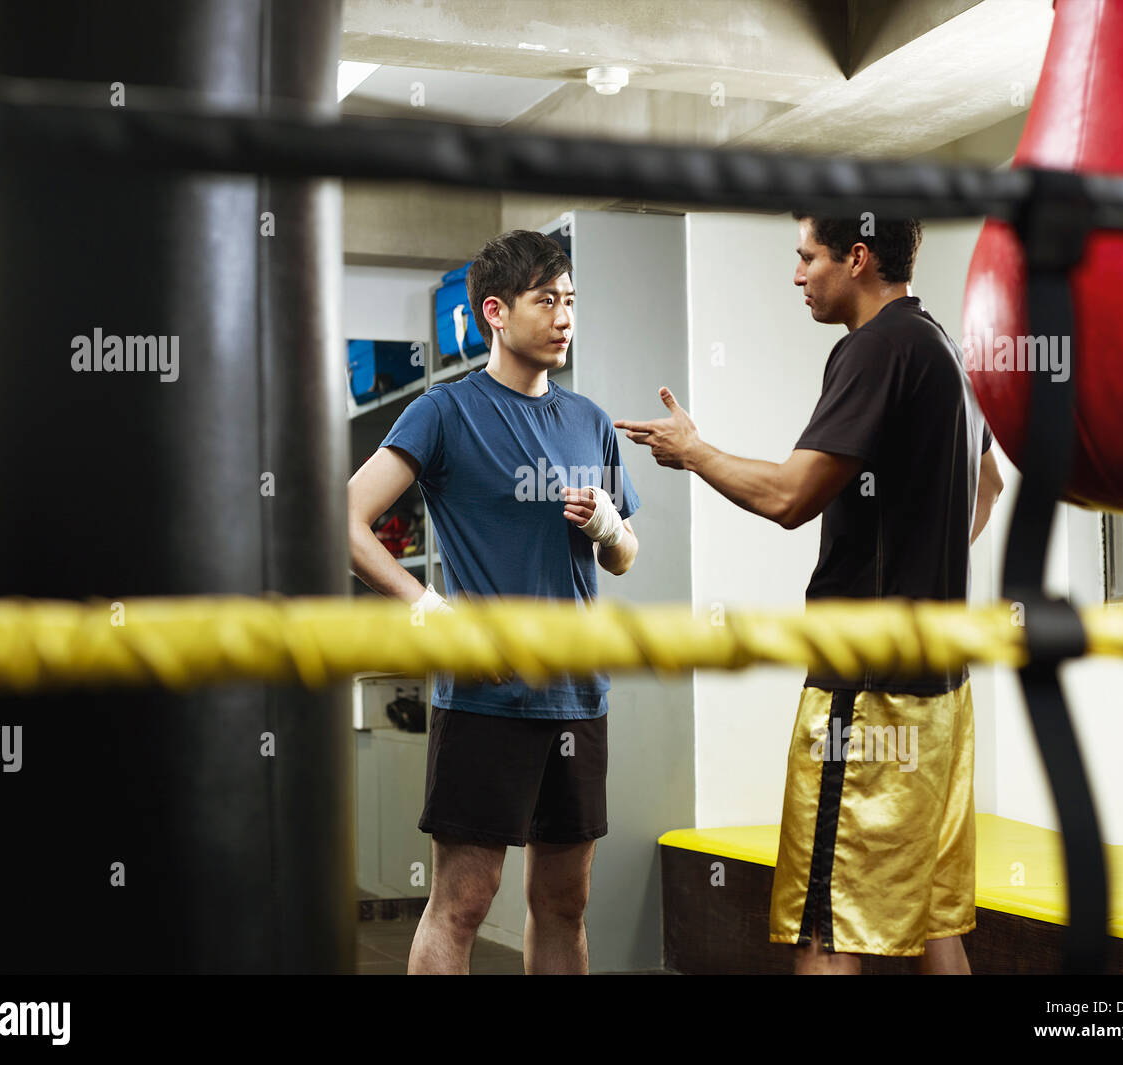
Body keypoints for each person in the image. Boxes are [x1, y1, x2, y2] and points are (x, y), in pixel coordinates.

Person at [614, 213, 1004, 975]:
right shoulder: (946, 350)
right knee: (933, 923)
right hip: (942, 689)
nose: (798, 276)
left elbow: (792, 497)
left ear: (857, 257)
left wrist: (694, 451)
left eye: (808, 258)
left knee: (822, 924)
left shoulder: (875, 347)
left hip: (866, 690)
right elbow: (984, 485)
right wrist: (922, 566)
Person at [348, 229, 641, 975]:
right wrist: (427, 605)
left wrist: (610, 526)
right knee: (464, 901)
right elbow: (344, 519)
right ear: (496, 312)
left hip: (578, 694)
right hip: (486, 698)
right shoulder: (446, 412)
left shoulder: (591, 420)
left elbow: (625, 555)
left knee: (564, 903)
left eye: (571, 300)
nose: (565, 316)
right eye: (548, 300)